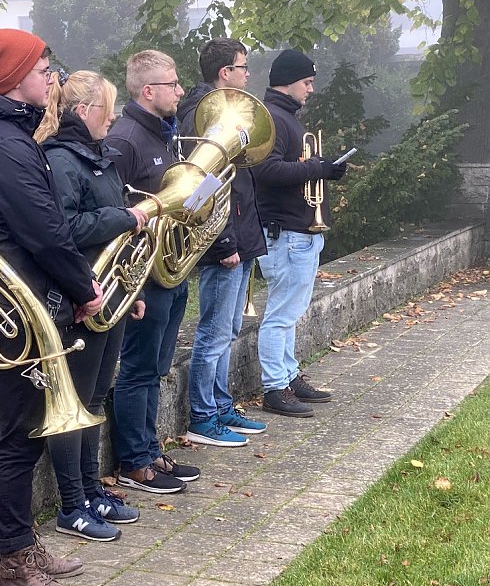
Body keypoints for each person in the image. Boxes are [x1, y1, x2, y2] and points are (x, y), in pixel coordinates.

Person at [0, 28, 103, 586]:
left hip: (21, 305)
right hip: (16, 312)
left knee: (29, 432)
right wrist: (84, 289)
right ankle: (16, 567)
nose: (53, 77)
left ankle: (24, 547)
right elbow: (46, 233)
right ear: (16, 79)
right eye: (45, 68)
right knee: (18, 437)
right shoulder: (5, 144)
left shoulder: (5, 136)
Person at [34, 70, 147, 541]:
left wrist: (131, 292)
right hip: (78, 298)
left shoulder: (99, 156)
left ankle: (91, 489)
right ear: (84, 111)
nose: (115, 116)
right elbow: (65, 229)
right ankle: (71, 503)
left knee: (95, 397)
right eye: (109, 107)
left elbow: (110, 233)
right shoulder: (61, 160)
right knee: (73, 403)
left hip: (109, 294)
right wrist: (125, 216)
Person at [105, 50, 200, 494]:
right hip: (143, 277)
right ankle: (134, 462)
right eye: (173, 84)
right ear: (148, 91)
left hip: (171, 272)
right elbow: (113, 213)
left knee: (157, 367)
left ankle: (151, 449)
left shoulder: (163, 135)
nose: (181, 91)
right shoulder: (124, 140)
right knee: (138, 369)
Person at [176, 38, 268, 447]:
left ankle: (220, 404)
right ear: (224, 73)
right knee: (213, 332)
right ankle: (202, 415)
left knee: (228, 329)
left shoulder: (226, 110)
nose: (248, 75)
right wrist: (225, 243)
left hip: (240, 234)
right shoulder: (203, 116)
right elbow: (206, 187)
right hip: (223, 240)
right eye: (243, 67)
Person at [252, 49, 348, 418]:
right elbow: (268, 171)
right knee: (279, 314)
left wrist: (321, 168)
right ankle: (274, 386)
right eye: (306, 82)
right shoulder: (273, 118)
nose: (310, 89)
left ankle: (289, 376)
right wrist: (316, 168)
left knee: (289, 313)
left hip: (299, 231)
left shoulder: (286, 117)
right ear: (288, 81)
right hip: (286, 233)